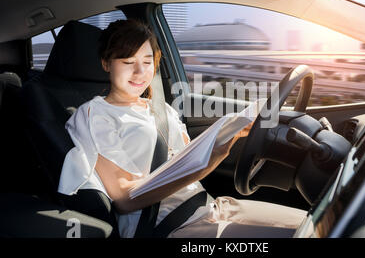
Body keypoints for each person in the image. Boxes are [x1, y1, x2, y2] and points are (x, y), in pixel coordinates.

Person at [58, 19, 308, 238]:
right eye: (127, 61)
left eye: (147, 61)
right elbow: (124, 199)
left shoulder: (160, 108)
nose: (140, 72)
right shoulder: (94, 114)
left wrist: (230, 134)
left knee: (317, 224)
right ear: (106, 64)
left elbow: (184, 158)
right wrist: (209, 161)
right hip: (167, 226)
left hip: (210, 206)